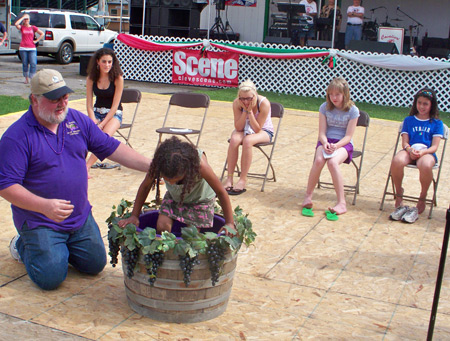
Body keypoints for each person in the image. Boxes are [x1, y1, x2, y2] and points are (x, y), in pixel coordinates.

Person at [0, 69, 150, 290]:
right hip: (40, 220)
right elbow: (5, 186)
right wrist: (44, 206)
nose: (62, 103)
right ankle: (23, 244)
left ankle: (59, 247)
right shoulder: (17, 136)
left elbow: (112, 148)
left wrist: (154, 167)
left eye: (65, 96)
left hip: (78, 217)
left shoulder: (76, 120)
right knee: (50, 278)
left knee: (95, 265)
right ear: (34, 99)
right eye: (54, 99)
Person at [118, 136, 235, 235]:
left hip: (200, 200)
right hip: (175, 198)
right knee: (162, 225)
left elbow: (220, 192)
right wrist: (134, 215)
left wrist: (229, 222)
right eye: (167, 180)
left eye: (177, 180)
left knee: (191, 233)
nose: (172, 183)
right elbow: (145, 186)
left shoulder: (199, 165)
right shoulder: (159, 164)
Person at [301, 77, 359, 220]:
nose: (333, 97)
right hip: (326, 140)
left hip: (343, 143)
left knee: (333, 162)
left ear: (345, 94)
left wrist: (336, 146)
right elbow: (321, 132)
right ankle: (308, 196)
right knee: (319, 160)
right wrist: (326, 143)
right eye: (331, 94)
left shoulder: (353, 110)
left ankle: (341, 202)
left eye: (337, 94)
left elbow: (348, 136)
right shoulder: (324, 107)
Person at [388, 88, 444, 223]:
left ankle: (422, 196)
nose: (422, 106)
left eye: (425, 104)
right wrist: (409, 150)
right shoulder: (409, 120)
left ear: (431, 105)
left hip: (426, 152)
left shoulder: (436, 123)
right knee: (397, 160)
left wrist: (422, 152)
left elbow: (434, 147)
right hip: (410, 149)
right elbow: (405, 142)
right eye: (419, 103)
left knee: (424, 164)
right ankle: (399, 192)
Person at [222, 80, 273, 195]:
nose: (245, 101)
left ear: (254, 95)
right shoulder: (237, 103)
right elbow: (239, 127)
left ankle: (242, 179)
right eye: (242, 98)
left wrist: (250, 112)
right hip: (244, 128)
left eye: (249, 98)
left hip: (263, 130)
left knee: (248, 140)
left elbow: (257, 129)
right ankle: (229, 178)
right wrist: (245, 111)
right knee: (234, 139)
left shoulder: (264, 103)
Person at [85, 48, 124, 176]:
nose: (107, 65)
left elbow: (115, 106)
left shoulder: (118, 78)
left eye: (109, 62)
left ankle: (87, 166)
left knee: (104, 136)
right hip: (96, 112)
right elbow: (89, 104)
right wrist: (93, 120)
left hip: (114, 113)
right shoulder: (91, 78)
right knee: (83, 134)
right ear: (97, 62)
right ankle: (76, 162)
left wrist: (102, 124)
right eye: (104, 62)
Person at [14, 13, 44, 84]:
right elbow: (16, 24)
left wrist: (36, 40)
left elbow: (42, 33)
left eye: (27, 19)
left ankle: (32, 77)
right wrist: (22, 17)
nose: (26, 20)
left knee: (33, 63)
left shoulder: (33, 27)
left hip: (32, 48)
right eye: (25, 19)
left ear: (29, 20)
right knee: (25, 63)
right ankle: (26, 78)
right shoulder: (22, 27)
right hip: (23, 48)